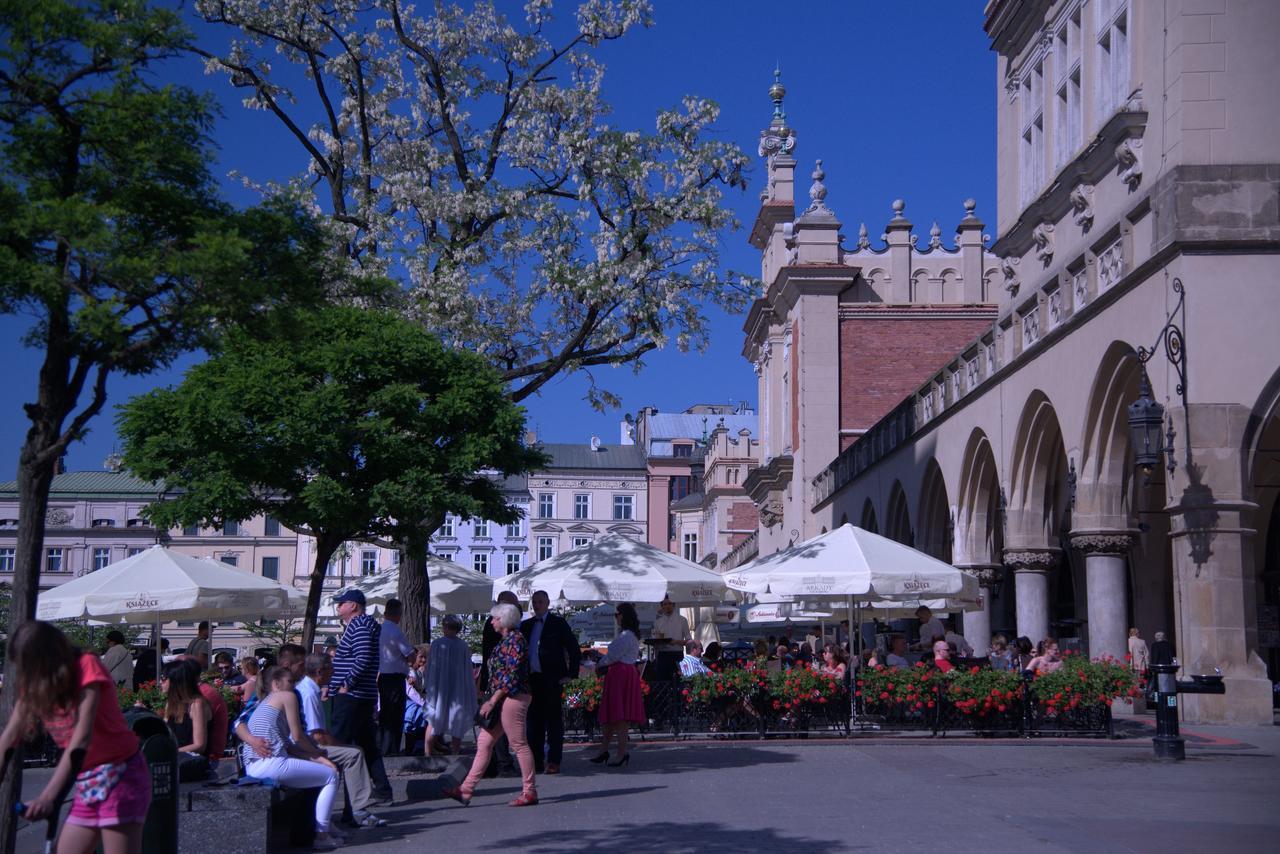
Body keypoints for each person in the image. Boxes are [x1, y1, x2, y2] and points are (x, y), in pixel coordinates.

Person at [0, 621, 151, 854]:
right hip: (88, 779)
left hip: (120, 775)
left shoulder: (85, 666)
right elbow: (10, 736)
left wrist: (47, 797)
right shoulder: (35, 683)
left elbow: (81, 739)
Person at [442, 602, 538, 807]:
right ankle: (466, 789)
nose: (491, 621)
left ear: (503, 620)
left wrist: (492, 701)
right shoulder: (507, 640)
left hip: (513, 697)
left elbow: (510, 676)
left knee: (518, 744)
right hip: (503, 697)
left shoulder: (515, 640)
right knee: (485, 743)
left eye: (494, 618)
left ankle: (529, 791)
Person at [240, 665, 343, 850]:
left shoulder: (263, 703)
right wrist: (318, 755)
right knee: (331, 776)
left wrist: (318, 758)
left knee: (325, 771)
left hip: (255, 766)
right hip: (272, 764)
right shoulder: (287, 696)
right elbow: (297, 737)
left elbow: (290, 747)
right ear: (276, 684)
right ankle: (321, 835)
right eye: (290, 681)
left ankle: (323, 826)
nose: (293, 685)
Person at [293, 653, 387, 830]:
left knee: (353, 752)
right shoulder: (309, 694)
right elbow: (317, 735)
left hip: (306, 745)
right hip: (307, 748)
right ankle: (359, 809)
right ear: (320, 671)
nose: (334, 672)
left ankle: (356, 807)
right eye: (331, 668)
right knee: (354, 754)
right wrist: (344, 746)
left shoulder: (309, 689)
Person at [327, 589, 393, 803]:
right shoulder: (363, 625)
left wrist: (346, 683)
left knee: (338, 745)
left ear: (353, 606)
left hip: (353, 695)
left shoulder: (360, 625)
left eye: (341, 603)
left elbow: (363, 658)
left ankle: (327, 792)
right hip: (362, 694)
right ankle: (382, 790)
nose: (338, 607)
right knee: (367, 744)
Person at [520, 590, 581, 775]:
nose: (537, 605)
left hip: (552, 679)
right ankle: (536, 761)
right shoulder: (526, 626)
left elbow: (573, 648)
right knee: (533, 723)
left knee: (553, 722)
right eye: (534, 602)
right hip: (533, 679)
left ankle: (554, 760)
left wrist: (571, 674)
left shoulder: (557, 624)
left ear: (547, 604)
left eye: (540, 602)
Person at [590, 603, 646, 768]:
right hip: (620, 674)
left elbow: (612, 656)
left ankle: (621, 752)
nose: (616, 617)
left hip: (620, 674)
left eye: (617, 614)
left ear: (623, 615)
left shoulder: (626, 636)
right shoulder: (628, 635)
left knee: (619, 716)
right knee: (611, 716)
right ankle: (604, 750)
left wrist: (600, 663)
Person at [423, 616, 477, 768]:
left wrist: (429, 684)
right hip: (458, 687)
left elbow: (431, 668)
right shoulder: (463, 646)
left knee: (435, 717)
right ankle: (455, 752)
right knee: (456, 718)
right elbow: (467, 670)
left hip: (440, 687)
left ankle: (427, 752)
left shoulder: (437, 644)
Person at [479, 591, 521, 778]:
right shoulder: (504, 633)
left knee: (491, 731)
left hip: (496, 684)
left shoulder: (511, 636)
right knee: (498, 728)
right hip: (499, 685)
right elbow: (504, 668)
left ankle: (489, 767)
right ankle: (502, 764)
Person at [160, 659, 212, 781]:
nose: (160, 682)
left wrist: (171, 752)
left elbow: (199, 745)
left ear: (175, 680)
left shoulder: (196, 704)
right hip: (175, 759)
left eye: (163, 678)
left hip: (190, 763)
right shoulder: (171, 704)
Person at [377, 598, 416, 757]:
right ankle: (391, 749)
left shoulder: (379, 629)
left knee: (385, 714)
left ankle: (383, 747)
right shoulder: (395, 631)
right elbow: (410, 654)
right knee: (395, 715)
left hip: (382, 676)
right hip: (395, 677)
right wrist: (410, 660)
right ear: (398, 614)